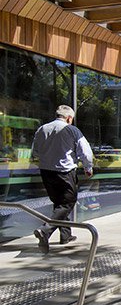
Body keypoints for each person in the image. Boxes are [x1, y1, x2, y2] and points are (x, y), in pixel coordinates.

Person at [31, 105, 94, 254]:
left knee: (59, 203)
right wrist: (88, 167)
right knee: (68, 202)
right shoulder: (72, 130)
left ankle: (66, 236)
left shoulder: (42, 129)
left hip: (46, 172)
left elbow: (35, 151)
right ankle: (45, 231)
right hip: (64, 172)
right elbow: (85, 151)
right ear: (69, 118)